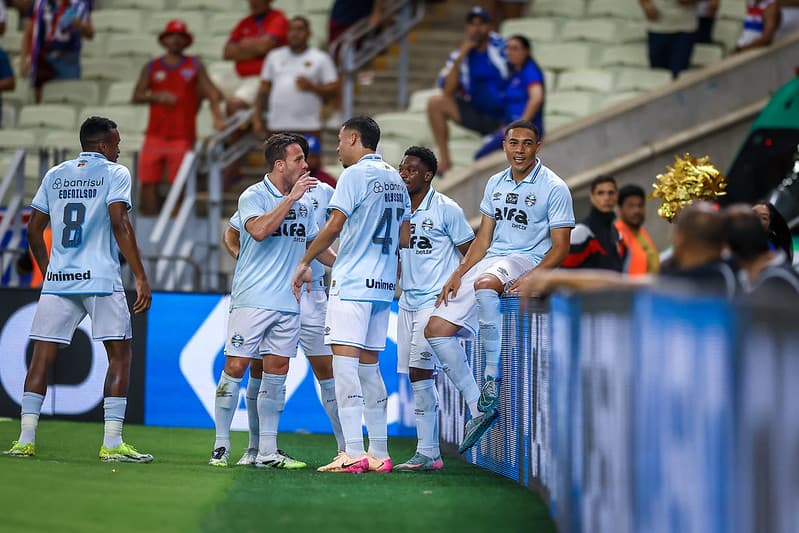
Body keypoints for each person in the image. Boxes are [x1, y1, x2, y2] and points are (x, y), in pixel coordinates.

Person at [4, 116, 153, 462]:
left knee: (41, 355)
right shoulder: (115, 174)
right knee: (120, 355)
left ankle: (25, 440)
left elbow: (34, 229)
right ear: (102, 144)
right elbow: (120, 222)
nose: (119, 149)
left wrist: (49, 271)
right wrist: (141, 276)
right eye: (115, 143)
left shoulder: (55, 174)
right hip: (100, 278)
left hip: (59, 280)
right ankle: (112, 443)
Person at [425, 119, 574, 453]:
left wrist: (535, 275)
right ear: (504, 145)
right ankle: (478, 405)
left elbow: (561, 247)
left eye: (526, 143)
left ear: (538, 146)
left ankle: (493, 375)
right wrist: (458, 271)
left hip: (526, 259)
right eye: (513, 143)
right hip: (492, 259)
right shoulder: (495, 182)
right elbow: (483, 239)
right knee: (434, 329)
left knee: (486, 282)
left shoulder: (554, 187)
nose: (519, 150)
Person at [291, 116, 411, 474]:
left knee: (344, 367)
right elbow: (404, 237)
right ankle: (379, 453)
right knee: (370, 367)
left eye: (341, 141)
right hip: (383, 284)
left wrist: (305, 260)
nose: (338, 149)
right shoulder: (396, 178)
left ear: (355, 139)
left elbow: (334, 226)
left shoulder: (354, 175)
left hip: (353, 283)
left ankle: (353, 453)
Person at [208, 133, 334, 469]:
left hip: (288, 302)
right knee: (235, 368)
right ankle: (220, 446)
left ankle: (266, 451)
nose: (306, 165)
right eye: (298, 160)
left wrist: (353, 266)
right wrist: (291, 198)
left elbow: (317, 246)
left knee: (277, 373)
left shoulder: (306, 202)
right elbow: (259, 231)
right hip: (252, 299)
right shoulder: (253, 195)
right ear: (279, 165)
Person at [394, 146, 474, 472]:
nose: (404, 174)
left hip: (434, 302)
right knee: (417, 377)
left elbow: (472, 252)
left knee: (421, 372)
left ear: (427, 175)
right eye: (402, 169)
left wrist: (456, 280)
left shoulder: (447, 209)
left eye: (411, 170)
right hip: (406, 301)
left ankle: (429, 451)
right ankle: (430, 453)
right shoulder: (397, 210)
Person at [512, 201, 737, 299]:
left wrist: (558, 279)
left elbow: (627, 285)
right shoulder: (724, 272)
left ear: (680, 239)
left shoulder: (716, 277)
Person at [132, 19, 225, 216]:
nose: (175, 40)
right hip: (155, 134)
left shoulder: (195, 65)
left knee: (180, 183)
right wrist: (157, 96)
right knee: (148, 181)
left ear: (186, 41)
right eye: (171, 36)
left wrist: (217, 117)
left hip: (183, 134)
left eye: (179, 37)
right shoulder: (152, 66)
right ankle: (148, 221)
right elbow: (137, 96)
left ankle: (175, 222)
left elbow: (212, 92)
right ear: (164, 40)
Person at [427, 6, 507, 175]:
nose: (477, 28)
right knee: (435, 103)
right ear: (467, 28)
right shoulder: (459, 55)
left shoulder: (502, 47)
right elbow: (447, 91)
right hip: (477, 112)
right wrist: (461, 57)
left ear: (489, 26)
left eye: (481, 23)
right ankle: (445, 161)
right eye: (472, 24)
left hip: (503, 115)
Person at [252, 16, 340, 141]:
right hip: (277, 125)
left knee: (310, 160)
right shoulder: (273, 56)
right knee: (277, 161)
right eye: (291, 30)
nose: (295, 34)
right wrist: (257, 119)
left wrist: (312, 87)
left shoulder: (321, 58)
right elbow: (263, 90)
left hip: (309, 125)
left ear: (309, 33)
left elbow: (334, 88)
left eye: (300, 29)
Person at [474, 34, 545, 160]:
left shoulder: (530, 71)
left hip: (525, 130)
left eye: (515, 49)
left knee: (481, 156)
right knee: (481, 155)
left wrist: (520, 125)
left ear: (526, 51)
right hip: (510, 127)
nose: (510, 52)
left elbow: (536, 98)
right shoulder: (512, 72)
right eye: (508, 48)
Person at [21, 0, 94, 102]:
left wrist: (79, 24)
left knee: (68, 98)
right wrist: (24, 59)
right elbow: (28, 32)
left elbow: (90, 33)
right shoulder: (39, 4)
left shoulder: (78, 4)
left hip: (68, 59)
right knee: (42, 97)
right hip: (44, 58)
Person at [222, 0, 288, 113]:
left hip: (261, 77)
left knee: (235, 104)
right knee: (204, 87)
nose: (252, 2)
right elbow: (227, 53)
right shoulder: (245, 22)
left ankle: (236, 130)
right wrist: (255, 49)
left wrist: (241, 47)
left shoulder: (277, 18)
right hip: (239, 74)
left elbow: (264, 47)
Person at [726, 204, 799, 295]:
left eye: (764, 218)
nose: (756, 220)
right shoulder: (733, 271)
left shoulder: (780, 278)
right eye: (753, 215)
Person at [562, 175, 624, 271]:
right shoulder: (580, 233)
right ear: (592, 197)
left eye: (611, 193)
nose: (607, 198)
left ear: (617, 196)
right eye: (600, 193)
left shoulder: (617, 234)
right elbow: (563, 275)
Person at [638, 0, 697, 78]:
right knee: (657, 74)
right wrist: (645, 4)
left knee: (678, 73)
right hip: (657, 27)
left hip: (684, 29)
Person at [615, 184, 660, 275]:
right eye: (631, 206)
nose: (637, 210)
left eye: (640, 205)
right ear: (620, 209)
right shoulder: (616, 235)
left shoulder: (641, 231)